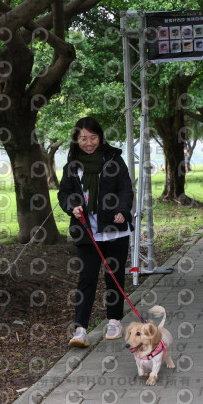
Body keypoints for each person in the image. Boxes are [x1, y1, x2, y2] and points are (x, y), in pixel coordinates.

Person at [58, 117, 134, 348]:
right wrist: (72, 206)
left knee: (113, 277)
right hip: (87, 230)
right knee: (87, 278)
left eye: (93, 137)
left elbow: (126, 189)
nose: (89, 143)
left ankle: (114, 321)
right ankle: (80, 329)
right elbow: (64, 194)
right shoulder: (72, 166)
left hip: (114, 230)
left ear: (100, 137)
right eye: (83, 138)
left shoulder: (113, 159)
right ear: (76, 139)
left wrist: (123, 211)